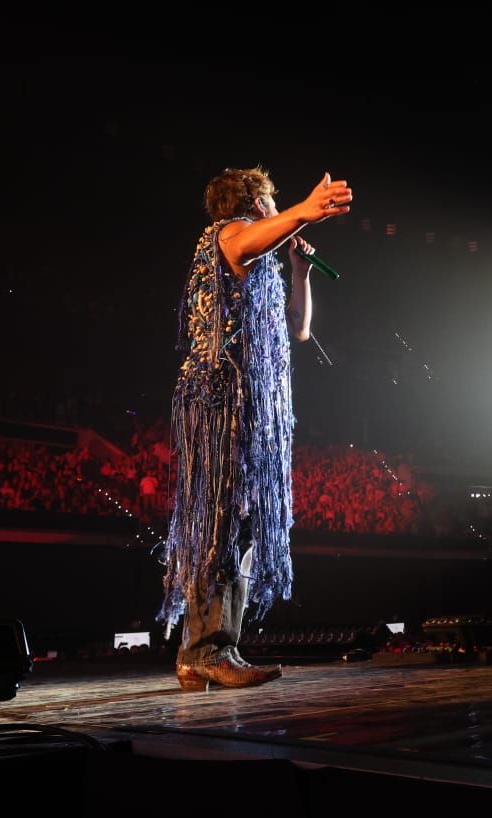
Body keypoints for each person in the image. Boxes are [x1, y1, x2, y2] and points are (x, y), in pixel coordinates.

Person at [158, 167, 352, 691]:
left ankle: (213, 650)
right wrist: (306, 211)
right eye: (274, 199)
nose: (278, 205)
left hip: (253, 410)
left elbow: (300, 330)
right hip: (222, 401)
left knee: (239, 526)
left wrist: (300, 272)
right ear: (254, 201)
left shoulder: (263, 254)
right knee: (219, 521)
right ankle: (204, 650)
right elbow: (245, 241)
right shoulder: (227, 234)